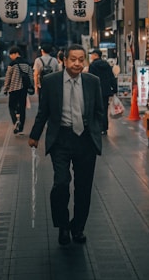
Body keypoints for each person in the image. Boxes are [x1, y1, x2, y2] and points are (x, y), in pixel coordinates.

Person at [28, 44, 103, 246]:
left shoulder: (92, 81)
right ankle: (62, 226)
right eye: (73, 59)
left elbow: (99, 109)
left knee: (83, 187)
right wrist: (35, 135)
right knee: (61, 183)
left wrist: (98, 130)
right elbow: (43, 111)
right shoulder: (51, 82)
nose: (77, 63)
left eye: (81, 59)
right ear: (64, 60)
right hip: (61, 138)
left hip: (86, 139)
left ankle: (77, 227)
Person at [3, 46, 34, 134]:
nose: (10, 56)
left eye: (11, 54)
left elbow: (8, 78)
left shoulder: (12, 64)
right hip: (23, 90)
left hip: (13, 89)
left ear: (16, 53)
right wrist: (31, 86)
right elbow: (31, 77)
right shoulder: (27, 64)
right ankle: (21, 128)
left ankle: (15, 121)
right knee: (22, 108)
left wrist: (5, 89)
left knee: (11, 106)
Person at [88, 48, 118, 135]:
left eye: (92, 55)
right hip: (106, 90)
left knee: (95, 109)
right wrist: (114, 89)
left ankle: (97, 127)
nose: (91, 56)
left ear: (96, 55)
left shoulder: (92, 65)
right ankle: (104, 128)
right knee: (104, 109)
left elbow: (90, 78)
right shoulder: (107, 65)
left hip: (95, 90)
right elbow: (111, 77)